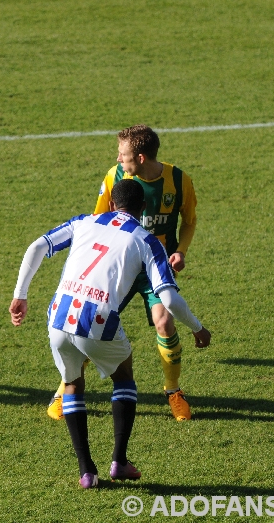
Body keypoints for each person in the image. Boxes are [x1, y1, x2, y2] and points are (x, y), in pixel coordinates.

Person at [9, 179, 210, 488]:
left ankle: (87, 471)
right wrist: (198, 327)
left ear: (112, 205)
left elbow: (37, 246)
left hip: (58, 315)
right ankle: (119, 460)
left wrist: (20, 294)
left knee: (73, 385)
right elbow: (168, 298)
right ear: (143, 209)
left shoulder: (83, 222)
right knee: (124, 377)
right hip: (98, 319)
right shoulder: (147, 240)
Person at [47, 125, 199, 422]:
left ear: (140, 157)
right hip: (119, 265)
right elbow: (97, 221)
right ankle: (64, 390)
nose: (118, 160)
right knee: (91, 324)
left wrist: (181, 249)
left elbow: (190, 220)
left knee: (164, 322)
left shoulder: (179, 181)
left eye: (124, 155)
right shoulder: (115, 178)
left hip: (153, 267)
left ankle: (173, 391)